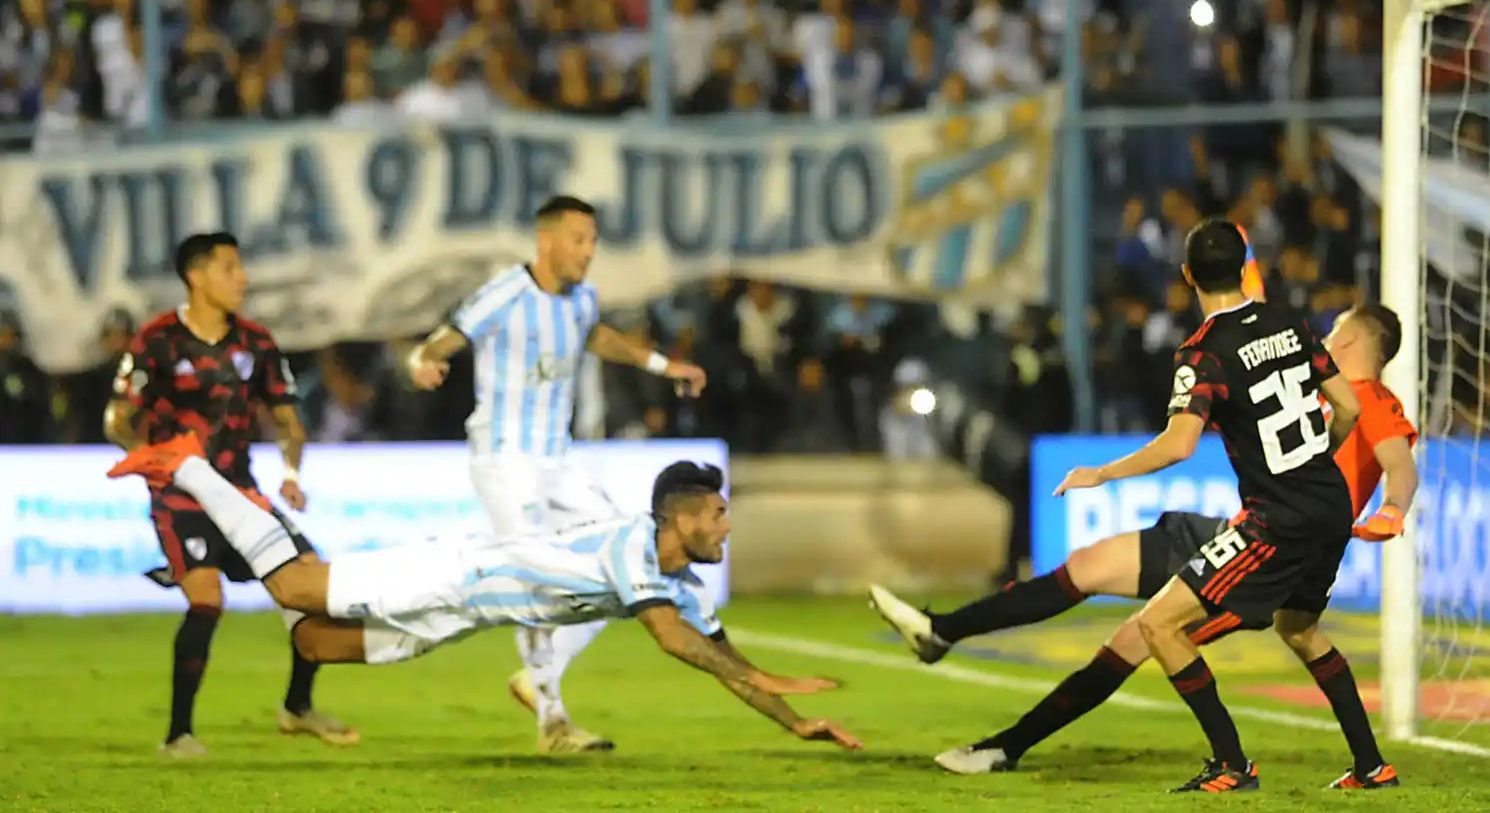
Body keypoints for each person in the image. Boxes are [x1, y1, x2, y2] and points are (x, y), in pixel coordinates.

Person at [871, 304, 1412, 790]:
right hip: (1235, 528)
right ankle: (944, 631)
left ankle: (1006, 746)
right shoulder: (1306, 377)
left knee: (1141, 635)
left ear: (1352, 340)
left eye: (1337, 329)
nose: (1328, 335)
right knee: (1089, 566)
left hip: (1272, 543)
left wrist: (1393, 508)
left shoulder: (1373, 398)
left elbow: (1400, 466)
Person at [108, 436, 863, 752]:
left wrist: (794, 722)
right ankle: (190, 467)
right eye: (720, 514)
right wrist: (762, 675)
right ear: (684, 517)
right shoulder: (634, 545)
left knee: (314, 640)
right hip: (456, 573)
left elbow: (718, 651)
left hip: (461, 617)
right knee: (299, 584)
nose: (728, 526)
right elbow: (673, 641)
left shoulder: (682, 582)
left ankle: (243, 548)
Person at [1048, 218, 1384, 791]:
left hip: (1276, 519)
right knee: (1301, 630)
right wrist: (1314, 461)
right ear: (1245, 264)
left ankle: (1232, 763)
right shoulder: (1287, 321)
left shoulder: (1203, 353)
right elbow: (1347, 408)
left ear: (1187, 277)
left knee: (1158, 624)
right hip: (1331, 506)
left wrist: (1103, 473)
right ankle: (1372, 765)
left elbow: (1180, 444)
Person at [403, 194, 708, 752]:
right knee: (540, 576)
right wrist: (422, 360)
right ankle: (552, 720)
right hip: (503, 459)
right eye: (579, 240)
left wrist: (665, 366)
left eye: (593, 241)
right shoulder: (505, 292)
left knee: (633, 557)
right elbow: (450, 334)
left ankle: (539, 680)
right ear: (547, 241)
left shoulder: (581, 299)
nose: (589, 251)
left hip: (557, 460)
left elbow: (597, 336)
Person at [102, 232, 356, 756]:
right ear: (196, 276)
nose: (242, 278)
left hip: (241, 493)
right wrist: (148, 455)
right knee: (206, 600)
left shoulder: (256, 343)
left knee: (313, 586)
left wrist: (291, 472)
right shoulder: (158, 339)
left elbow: (288, 420)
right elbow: (118, 416)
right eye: (230, 267)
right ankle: (178, 735)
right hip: (182, 497)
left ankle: (297, 708)